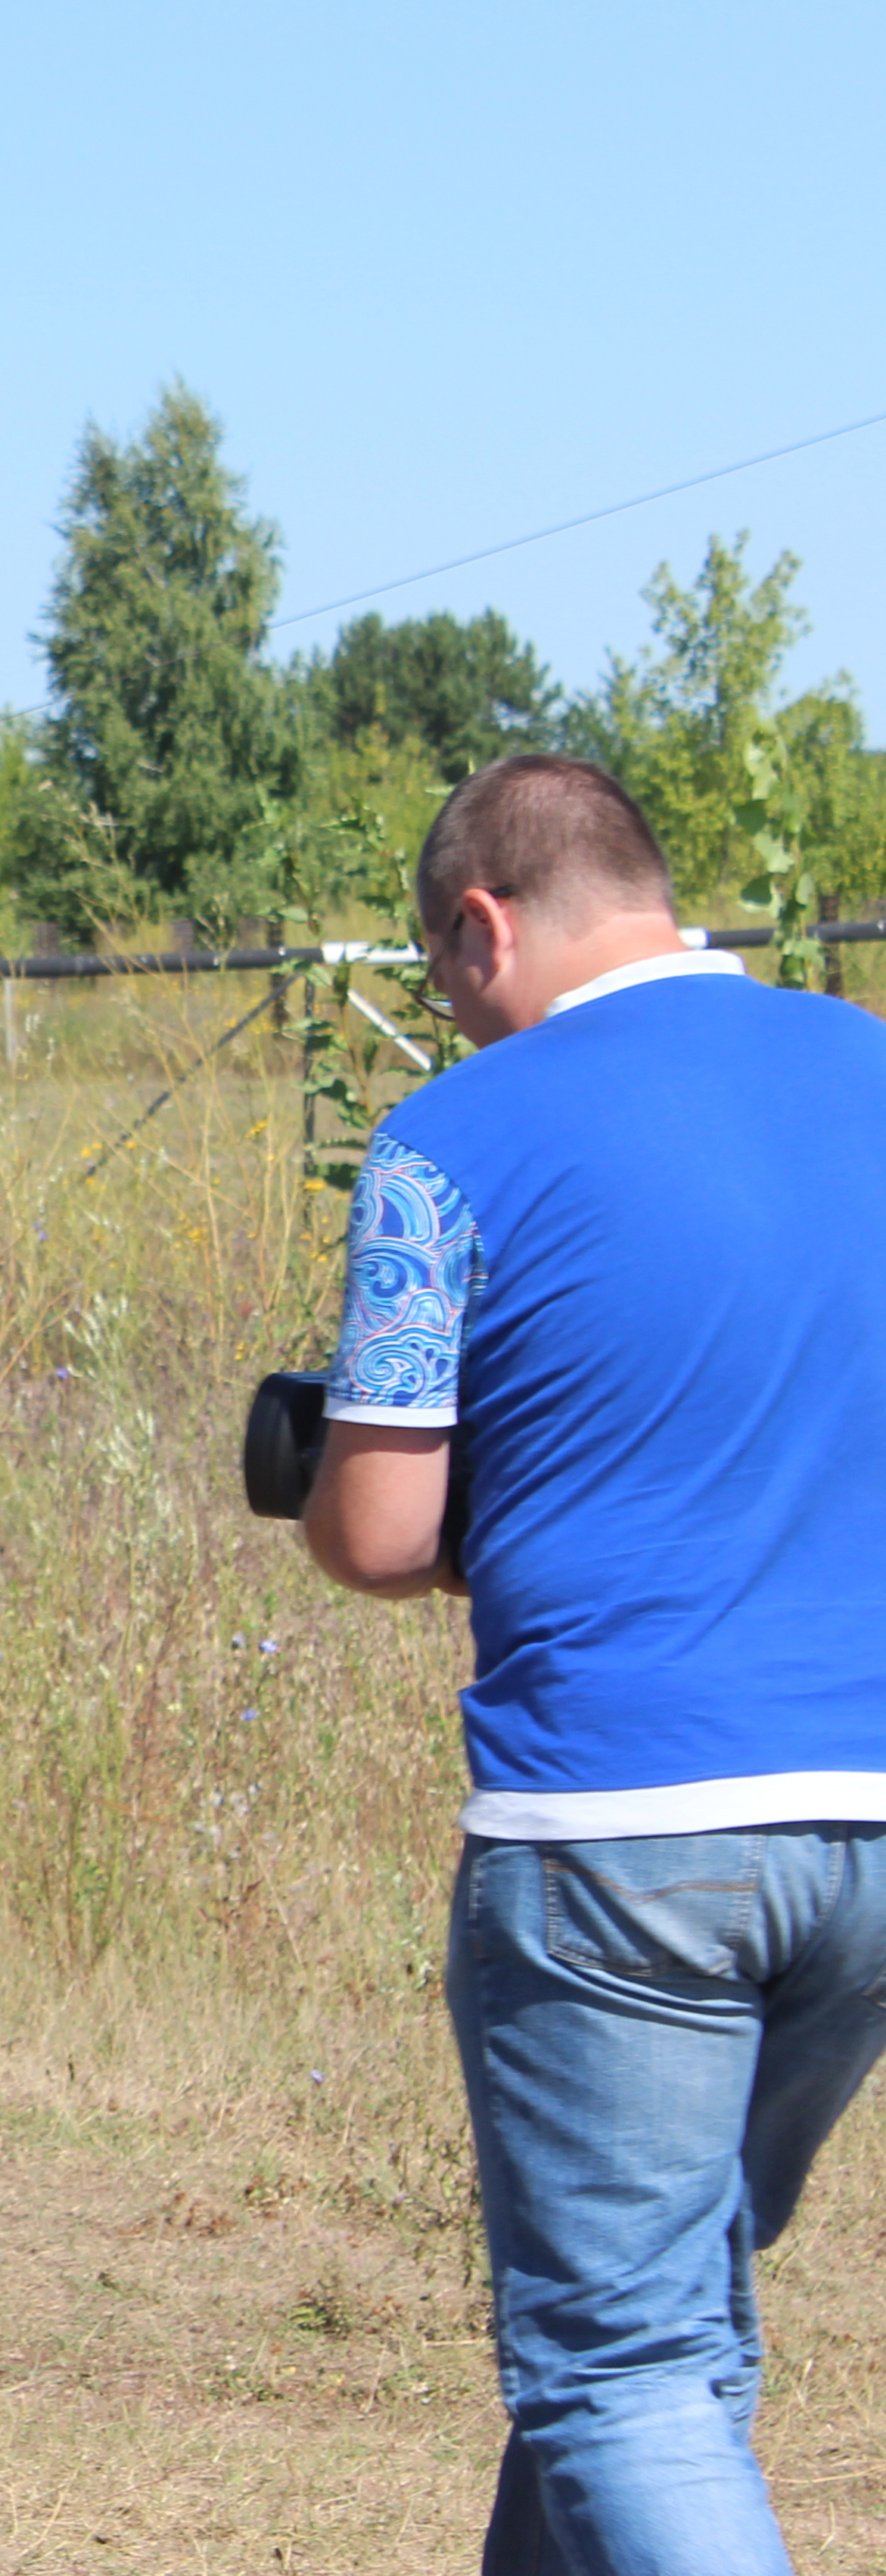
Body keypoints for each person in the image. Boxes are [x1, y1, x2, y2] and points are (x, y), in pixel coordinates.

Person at [303, 754, 886, 2574]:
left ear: (481, 920)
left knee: (626, 2367)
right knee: (654, 2312)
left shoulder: (452, 1141)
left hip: (621, 1833)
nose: (452, 1008)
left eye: (441, 965)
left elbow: (383, 1535)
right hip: (869, 1828)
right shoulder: (870, 1066)